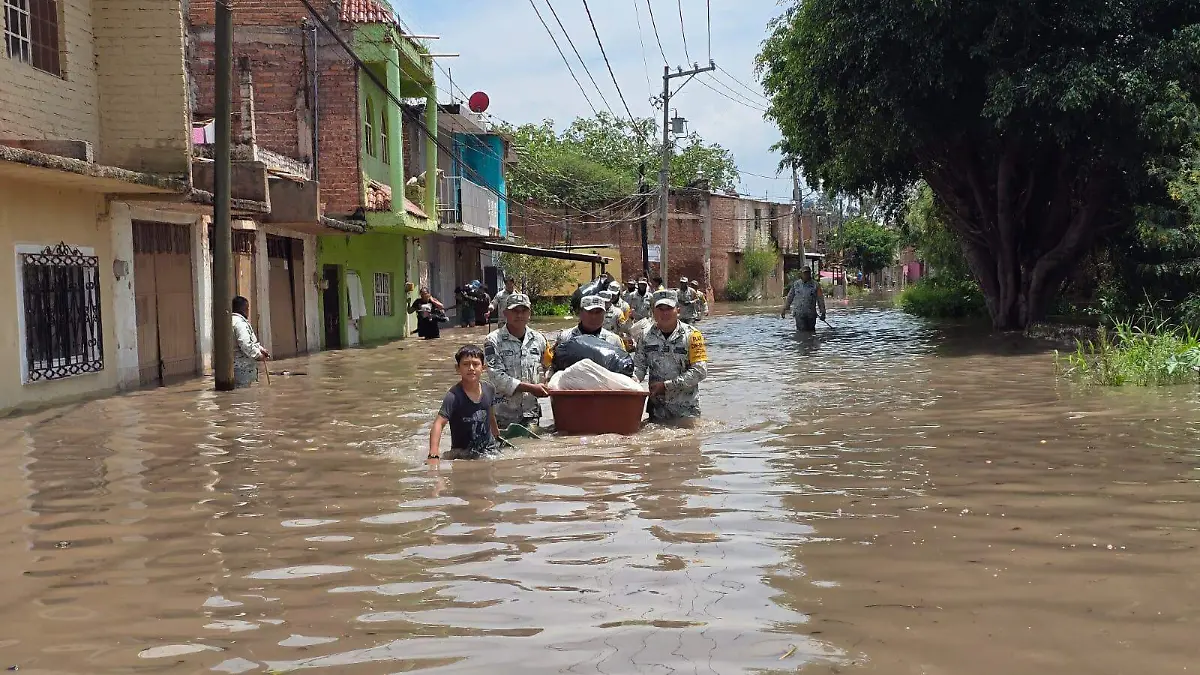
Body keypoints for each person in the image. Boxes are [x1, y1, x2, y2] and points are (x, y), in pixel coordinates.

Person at [634, 290, 708, 425]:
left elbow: (700, 371)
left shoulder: (693, 335)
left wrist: (667, 386)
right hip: (656, 411)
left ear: (678, 310)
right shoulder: (645, 336)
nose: (665, 313)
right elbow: (639, 367)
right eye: (660, 309)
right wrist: (631, 382)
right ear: (653, 311)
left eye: (669, 308)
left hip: (686, 411)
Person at [484, 293, 551, 430]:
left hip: (531, 414)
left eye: (524, 311)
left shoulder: (539, 339)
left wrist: (547, 383)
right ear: (505, 313)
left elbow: (548, 367)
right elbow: (496, 377)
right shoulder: (493, 340)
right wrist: (531, 388)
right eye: (515, 311)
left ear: (529, 313)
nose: (519, 315)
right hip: (503, 415)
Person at [427, 345, 501, 462]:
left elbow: (490, 414)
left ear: (483, 367)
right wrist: (433, 454)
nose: (471, 368)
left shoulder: (489, 388)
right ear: (458, 368)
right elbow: (439, 424)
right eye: (466, 364)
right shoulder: (453, 396)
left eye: (475, 364)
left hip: (489, 451)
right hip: (462, 455)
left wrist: (497, 435)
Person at [544, 294, 626, 375]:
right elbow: (553, 367)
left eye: (598, 312)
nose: (594, 316)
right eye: (590, 312)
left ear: (604, 313)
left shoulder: (614, 340)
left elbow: (624, 368)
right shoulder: (565, 337)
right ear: (580, 313)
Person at [231, 295, 269, 388]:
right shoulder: (240, 323)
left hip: (235, 367)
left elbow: (250, 342)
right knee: (246, 397)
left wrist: (260, 349)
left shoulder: (231, 321)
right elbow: (246, 344)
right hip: (242, 368)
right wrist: (258, 355)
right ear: (245, 309)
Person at [781, 267, 827, 332]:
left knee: (811, 332)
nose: (806, 275)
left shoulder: (816, 285)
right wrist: (784, 308)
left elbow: (820, 299)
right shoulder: (796, 284)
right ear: (801, 274)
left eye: (808, 273)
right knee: (801, 333)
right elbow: (790, 297)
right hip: (799, 314)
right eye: (805, 273)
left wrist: (823, 312)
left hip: (811, 315)